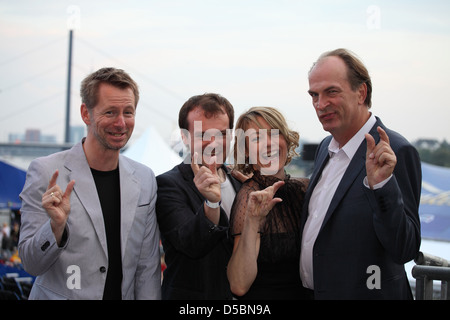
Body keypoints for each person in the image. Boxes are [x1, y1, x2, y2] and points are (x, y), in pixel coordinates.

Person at [18, 67, 161, 300]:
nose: (121, 123)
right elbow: (31, 263)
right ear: (86, 113)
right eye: (110, 112)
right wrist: (55, 228)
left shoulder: (145, 179)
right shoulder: (45, 171)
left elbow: (147, 268)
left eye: (128, 112)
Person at [300, 49, 422, 299]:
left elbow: (405, 248)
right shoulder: (325, 147)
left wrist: (382, 186)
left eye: (331, 92)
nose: (320, 105)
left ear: (361, 93)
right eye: (314, 95)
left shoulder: (395, 150)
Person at [156, 93, 242, 299]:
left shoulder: (241, 181)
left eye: (222, 133)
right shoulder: (168, 184)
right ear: (185, 137)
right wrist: (212, 204)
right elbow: (190, 244)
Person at [227, 106, 310, 299]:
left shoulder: (305, 188)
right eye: (256, 138)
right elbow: (238, 285)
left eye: (274, 134)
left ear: (286, 139)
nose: (268, 144)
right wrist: (253, 221)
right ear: (246, 151)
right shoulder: (249, 197)